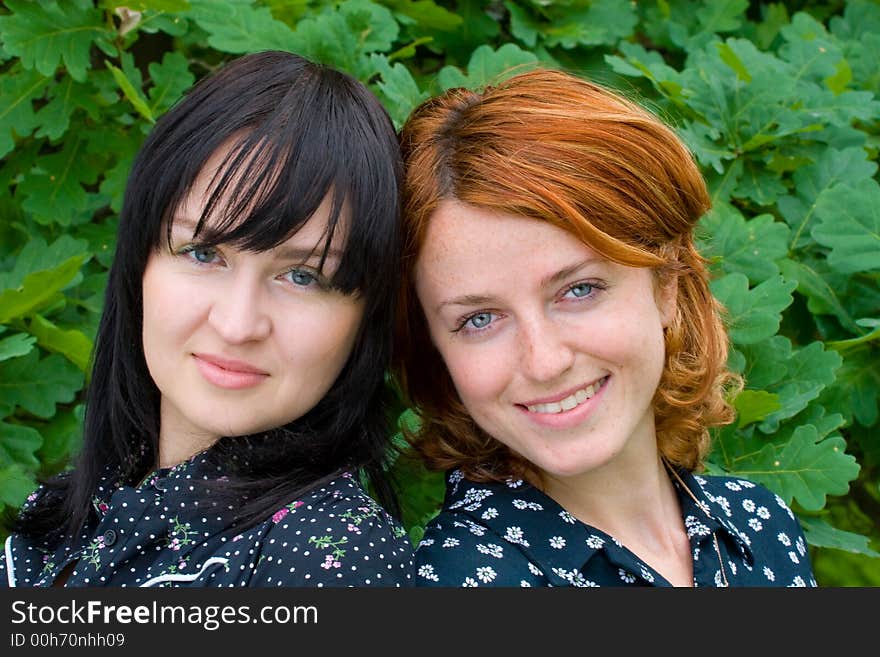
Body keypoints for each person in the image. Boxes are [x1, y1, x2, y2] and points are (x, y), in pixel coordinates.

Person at [1, 51, 415, 587]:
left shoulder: (332, 560)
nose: (238, 324)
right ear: (138, 264)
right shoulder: (77, 502)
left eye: (304, 276)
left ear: (366, 316)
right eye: (203, 253)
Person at [393, 67, 816, 587]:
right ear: (436, 351)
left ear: (667, 283)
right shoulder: (465, 582)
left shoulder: (761, 528)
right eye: (479, 319)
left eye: (579, 290)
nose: (545, 361)